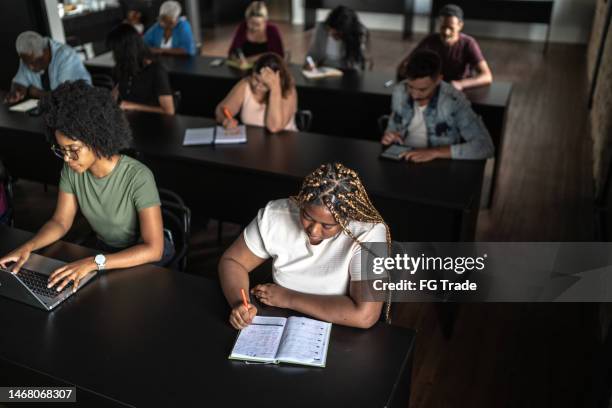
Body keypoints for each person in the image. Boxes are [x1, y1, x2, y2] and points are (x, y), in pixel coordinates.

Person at [0, 80, 174, 292]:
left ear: (96, 139)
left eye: (73, 149)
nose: (66, 158)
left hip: (143, 256)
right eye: (61, 150)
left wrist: (94, 262)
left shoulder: (138, 177)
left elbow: (154, 249)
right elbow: (60, 222)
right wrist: (29, 247)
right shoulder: (72, 171)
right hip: (105, 252)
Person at [218, 163, 391, 330]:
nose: (314, 231)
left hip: (340, 329)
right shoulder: (276, 214)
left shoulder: (369, 233)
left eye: (327, 226)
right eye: (307, 216)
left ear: (347, 218)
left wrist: (288, 297)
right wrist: (240, 303)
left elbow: (365, 315)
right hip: (280, 320)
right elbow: (232, 261)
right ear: (301, 202)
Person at [382, 49, 494, 162]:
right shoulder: (400, 91)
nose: (414, 95)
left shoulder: (454, 100)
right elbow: (392, 127)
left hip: (439, 165)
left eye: (422, 90)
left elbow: (485, 146)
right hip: (404, 159)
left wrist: (435, 152)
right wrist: (390, 136)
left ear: (438, 80)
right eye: (410, 87)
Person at [412, 4, 492, 91]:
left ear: (460, 26)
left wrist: (460, 84)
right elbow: (405, 66)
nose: (446, 32)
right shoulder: (429, 41)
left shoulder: (468, 43)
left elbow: (487, 76)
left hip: (459, 92)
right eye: (443, 27)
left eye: (451, 28)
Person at [215, 53, 297, 133]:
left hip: (283, 144)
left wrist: (275, 88)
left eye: (265, 84)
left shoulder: (288, 90)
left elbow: (274, 127)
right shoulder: (246, 84)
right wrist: (225, 120)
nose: (258, 86)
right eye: (256, 79)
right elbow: (220, 110)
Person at [4, 31, 91, 104]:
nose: (30, 67)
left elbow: (66, 97)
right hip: (50, 111)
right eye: (26, 63)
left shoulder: (66, 56)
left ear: (46, 52)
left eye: (34, 62)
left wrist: (37, 93)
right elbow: (19, 82)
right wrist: (17, 92)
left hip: (81, 108)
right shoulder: (29, 57)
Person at [107, 24, 175, 115]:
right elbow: (116, 93)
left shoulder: (156, 70)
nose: (114, 56)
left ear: (127, 50)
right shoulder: (125, 66)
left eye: (116, 51)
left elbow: (169, 111)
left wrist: (132, 106)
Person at [304, 6, 369, 71]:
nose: (336, 37)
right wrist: (310, 63)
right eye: (334, 33)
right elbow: (310, 56)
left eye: (340, 35)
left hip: (346, 73)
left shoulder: (358, 34)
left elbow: (358, 65)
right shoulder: (321, 29)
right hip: (324, 71)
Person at [227, 1, 284, 67]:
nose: (254, 28)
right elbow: (232, 52)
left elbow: (278, 56)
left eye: (258, 24)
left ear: (265, 21)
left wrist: (250, 59)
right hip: (245, 69)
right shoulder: (243, 27)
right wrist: (237, 59)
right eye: (251, 23)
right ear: (247, 20)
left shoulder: (272, 30)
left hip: (267, 70)